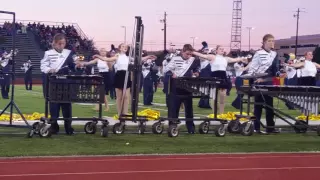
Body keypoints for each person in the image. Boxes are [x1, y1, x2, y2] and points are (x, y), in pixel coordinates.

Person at [88, 43, 156, 116]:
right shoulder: (117, 56)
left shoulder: (128, 57)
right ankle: (119, 113)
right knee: (119, 97)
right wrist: (97, 56)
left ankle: (125, 112)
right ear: (120, 48)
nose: (125, 47)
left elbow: (139, 59)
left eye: (126, 47)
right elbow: (106, 59)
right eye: (123, 46)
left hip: (126, 75)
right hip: (119, 75)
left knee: (126, 97)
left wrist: (148, 56)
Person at [40, 33, 83, 135]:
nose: (61, 46)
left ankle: (68, 127)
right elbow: (43, 66)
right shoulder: (48, 53)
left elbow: (73, 66)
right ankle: (54, 127)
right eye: (59, 44)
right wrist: (50, 69)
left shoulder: (69, 53)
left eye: (63, 43)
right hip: (53, 83)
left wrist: (78, 66)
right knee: (54, 105)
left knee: (67, 105)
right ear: (54, 44)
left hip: (66, 83)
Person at [192, 45, 248, 115]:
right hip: (214, 78)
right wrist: (192, 51)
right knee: (214, 99)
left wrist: (243, 58)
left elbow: (236, 59)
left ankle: (221, 114)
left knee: (222, 99)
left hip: (223, 78)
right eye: (220, 49)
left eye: (223, 49)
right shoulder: (213, 57)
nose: (222, 50)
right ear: (216, 50)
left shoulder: (226, 59)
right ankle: (215, 114)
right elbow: (203, 55)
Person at [246, 34, 280, 134]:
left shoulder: (274, 54)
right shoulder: (258, 53)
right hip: (258, 82)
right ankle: (256, 128)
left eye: (273, 41)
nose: (272, 42)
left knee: (270, 106)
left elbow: (275, 70)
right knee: (258, 106)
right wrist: (256, 79)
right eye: (270, 41)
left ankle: (270, 128)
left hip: (269, 82)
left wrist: (279, 74)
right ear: (264, 42)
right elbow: (252, 68)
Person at [167, 44, 200, 134]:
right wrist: (172, 73)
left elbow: (197, 69)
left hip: (188, 85)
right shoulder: (175, 59)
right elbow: (167, 70)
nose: (189, 56)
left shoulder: (193, 60)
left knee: (189, 109)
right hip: (176, 86)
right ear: (182, 51)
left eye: (190, 54)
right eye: (187, 54)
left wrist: (197, 73)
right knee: (174, 108)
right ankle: (172, 126)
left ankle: (191, 128)